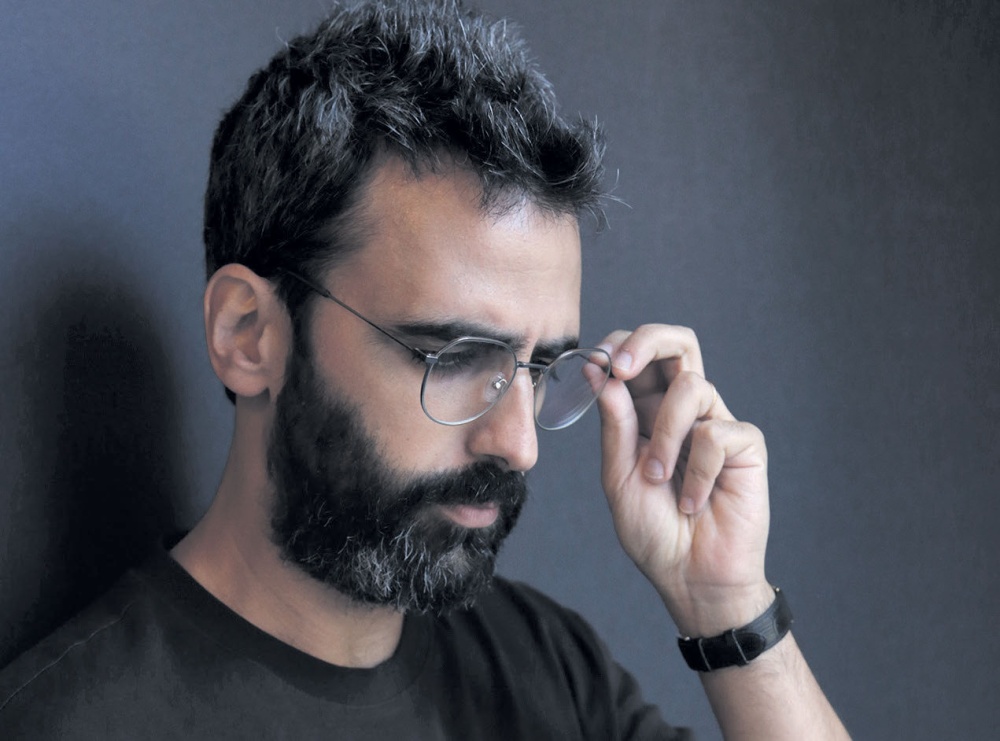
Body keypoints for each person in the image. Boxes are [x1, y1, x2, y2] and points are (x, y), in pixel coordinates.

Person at [0, 1, 849, 738]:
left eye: (540, 366)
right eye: (454, 357)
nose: (518, 444)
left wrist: (724, 604)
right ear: (248, 334)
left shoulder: (546, 666)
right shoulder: (71, 721)